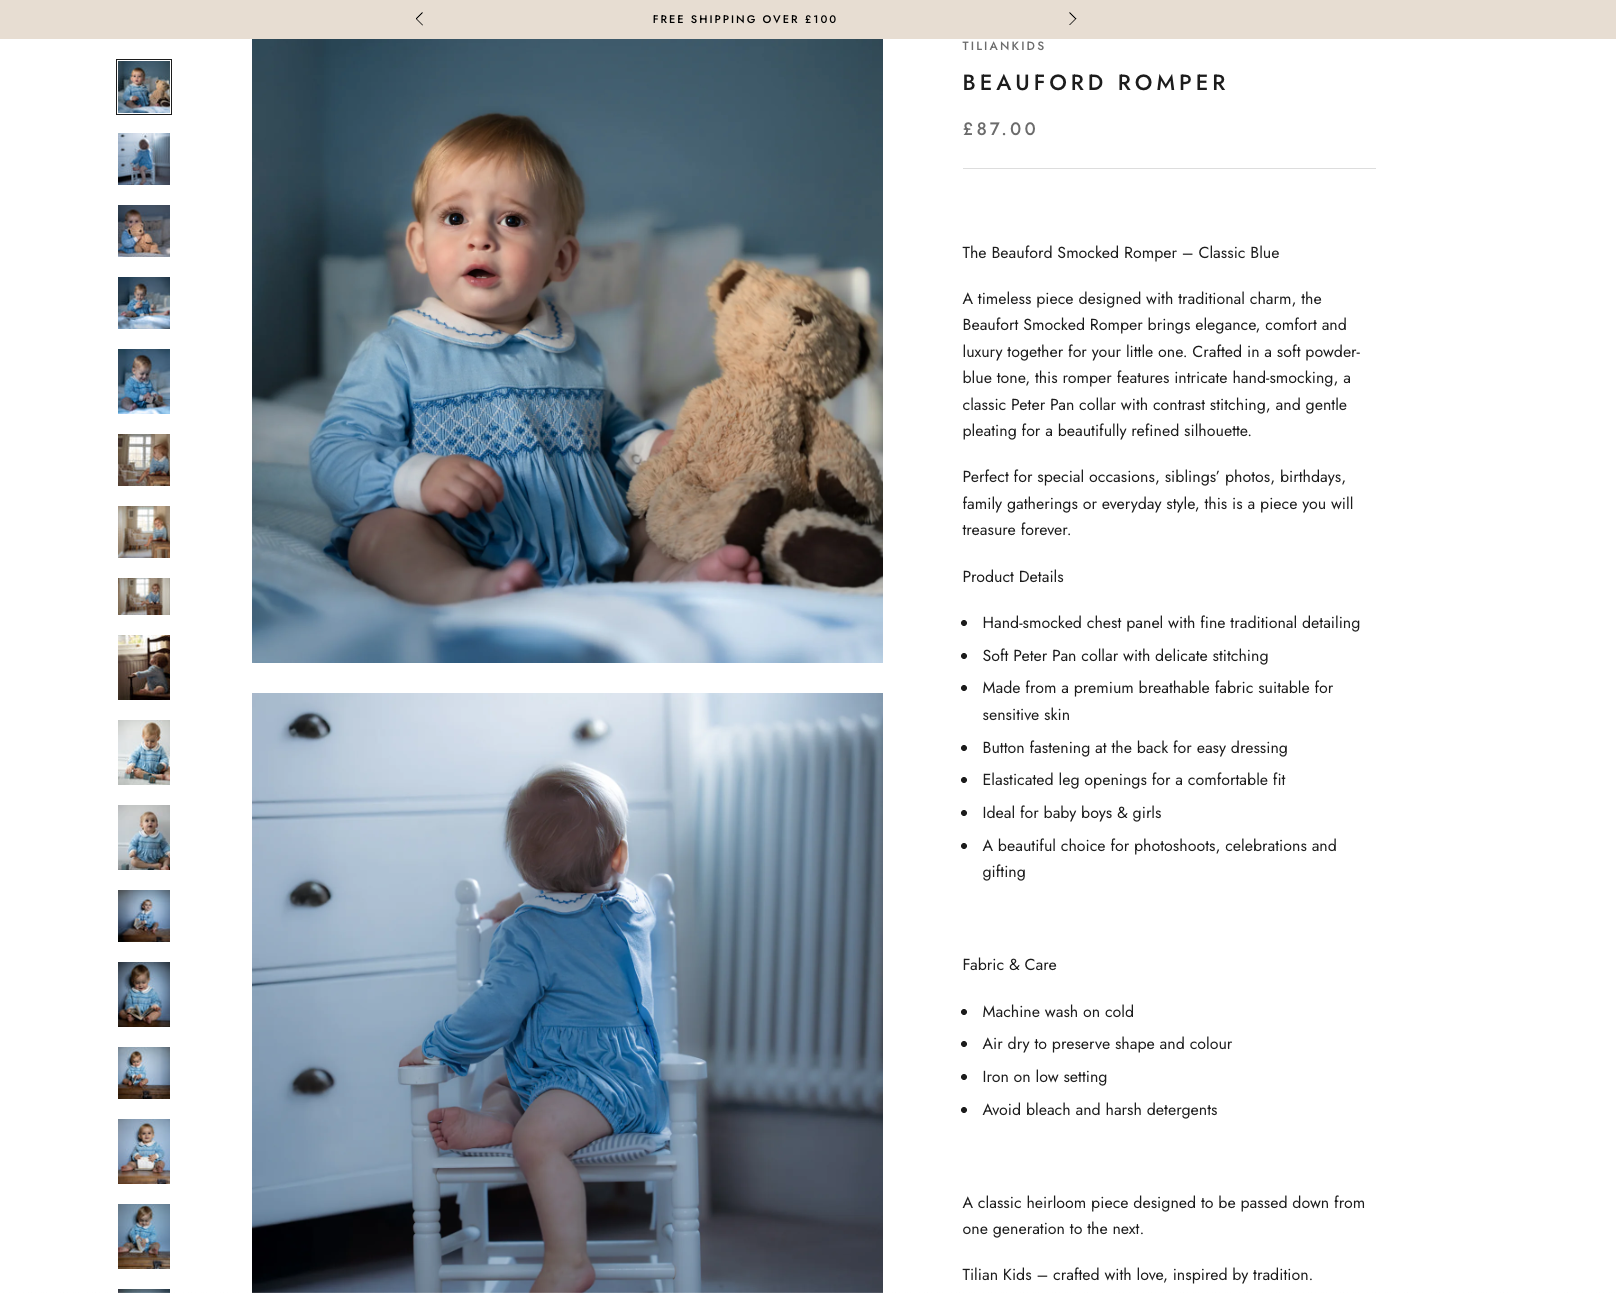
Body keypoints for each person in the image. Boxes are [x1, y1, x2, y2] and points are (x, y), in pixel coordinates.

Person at [311, 114, 759, 604]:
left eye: (512, 220)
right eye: (455, 218)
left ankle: (678, 577)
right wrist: (418, 478)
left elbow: (608, 428)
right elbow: (338, 454)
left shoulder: (575, 348)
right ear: (419, 247)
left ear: (561, 259)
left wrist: (653, 447)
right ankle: (463, 587)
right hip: (457, 536)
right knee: (380, 535)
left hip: (584, 537)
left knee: (648, 528)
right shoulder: (398, 352)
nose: (480, 238)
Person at [399, 764, 667, 1292]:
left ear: (524, 866)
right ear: (619, 857)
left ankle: (569, 1260)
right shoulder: (633, 905)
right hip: (610, 1071)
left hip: (599, 1085)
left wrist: (441, 1049)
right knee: (506, 1088)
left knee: (540, 1139)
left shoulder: (526, 936)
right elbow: (576, 894)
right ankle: (502, 1123)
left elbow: (495, 1010)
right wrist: (522, 900)